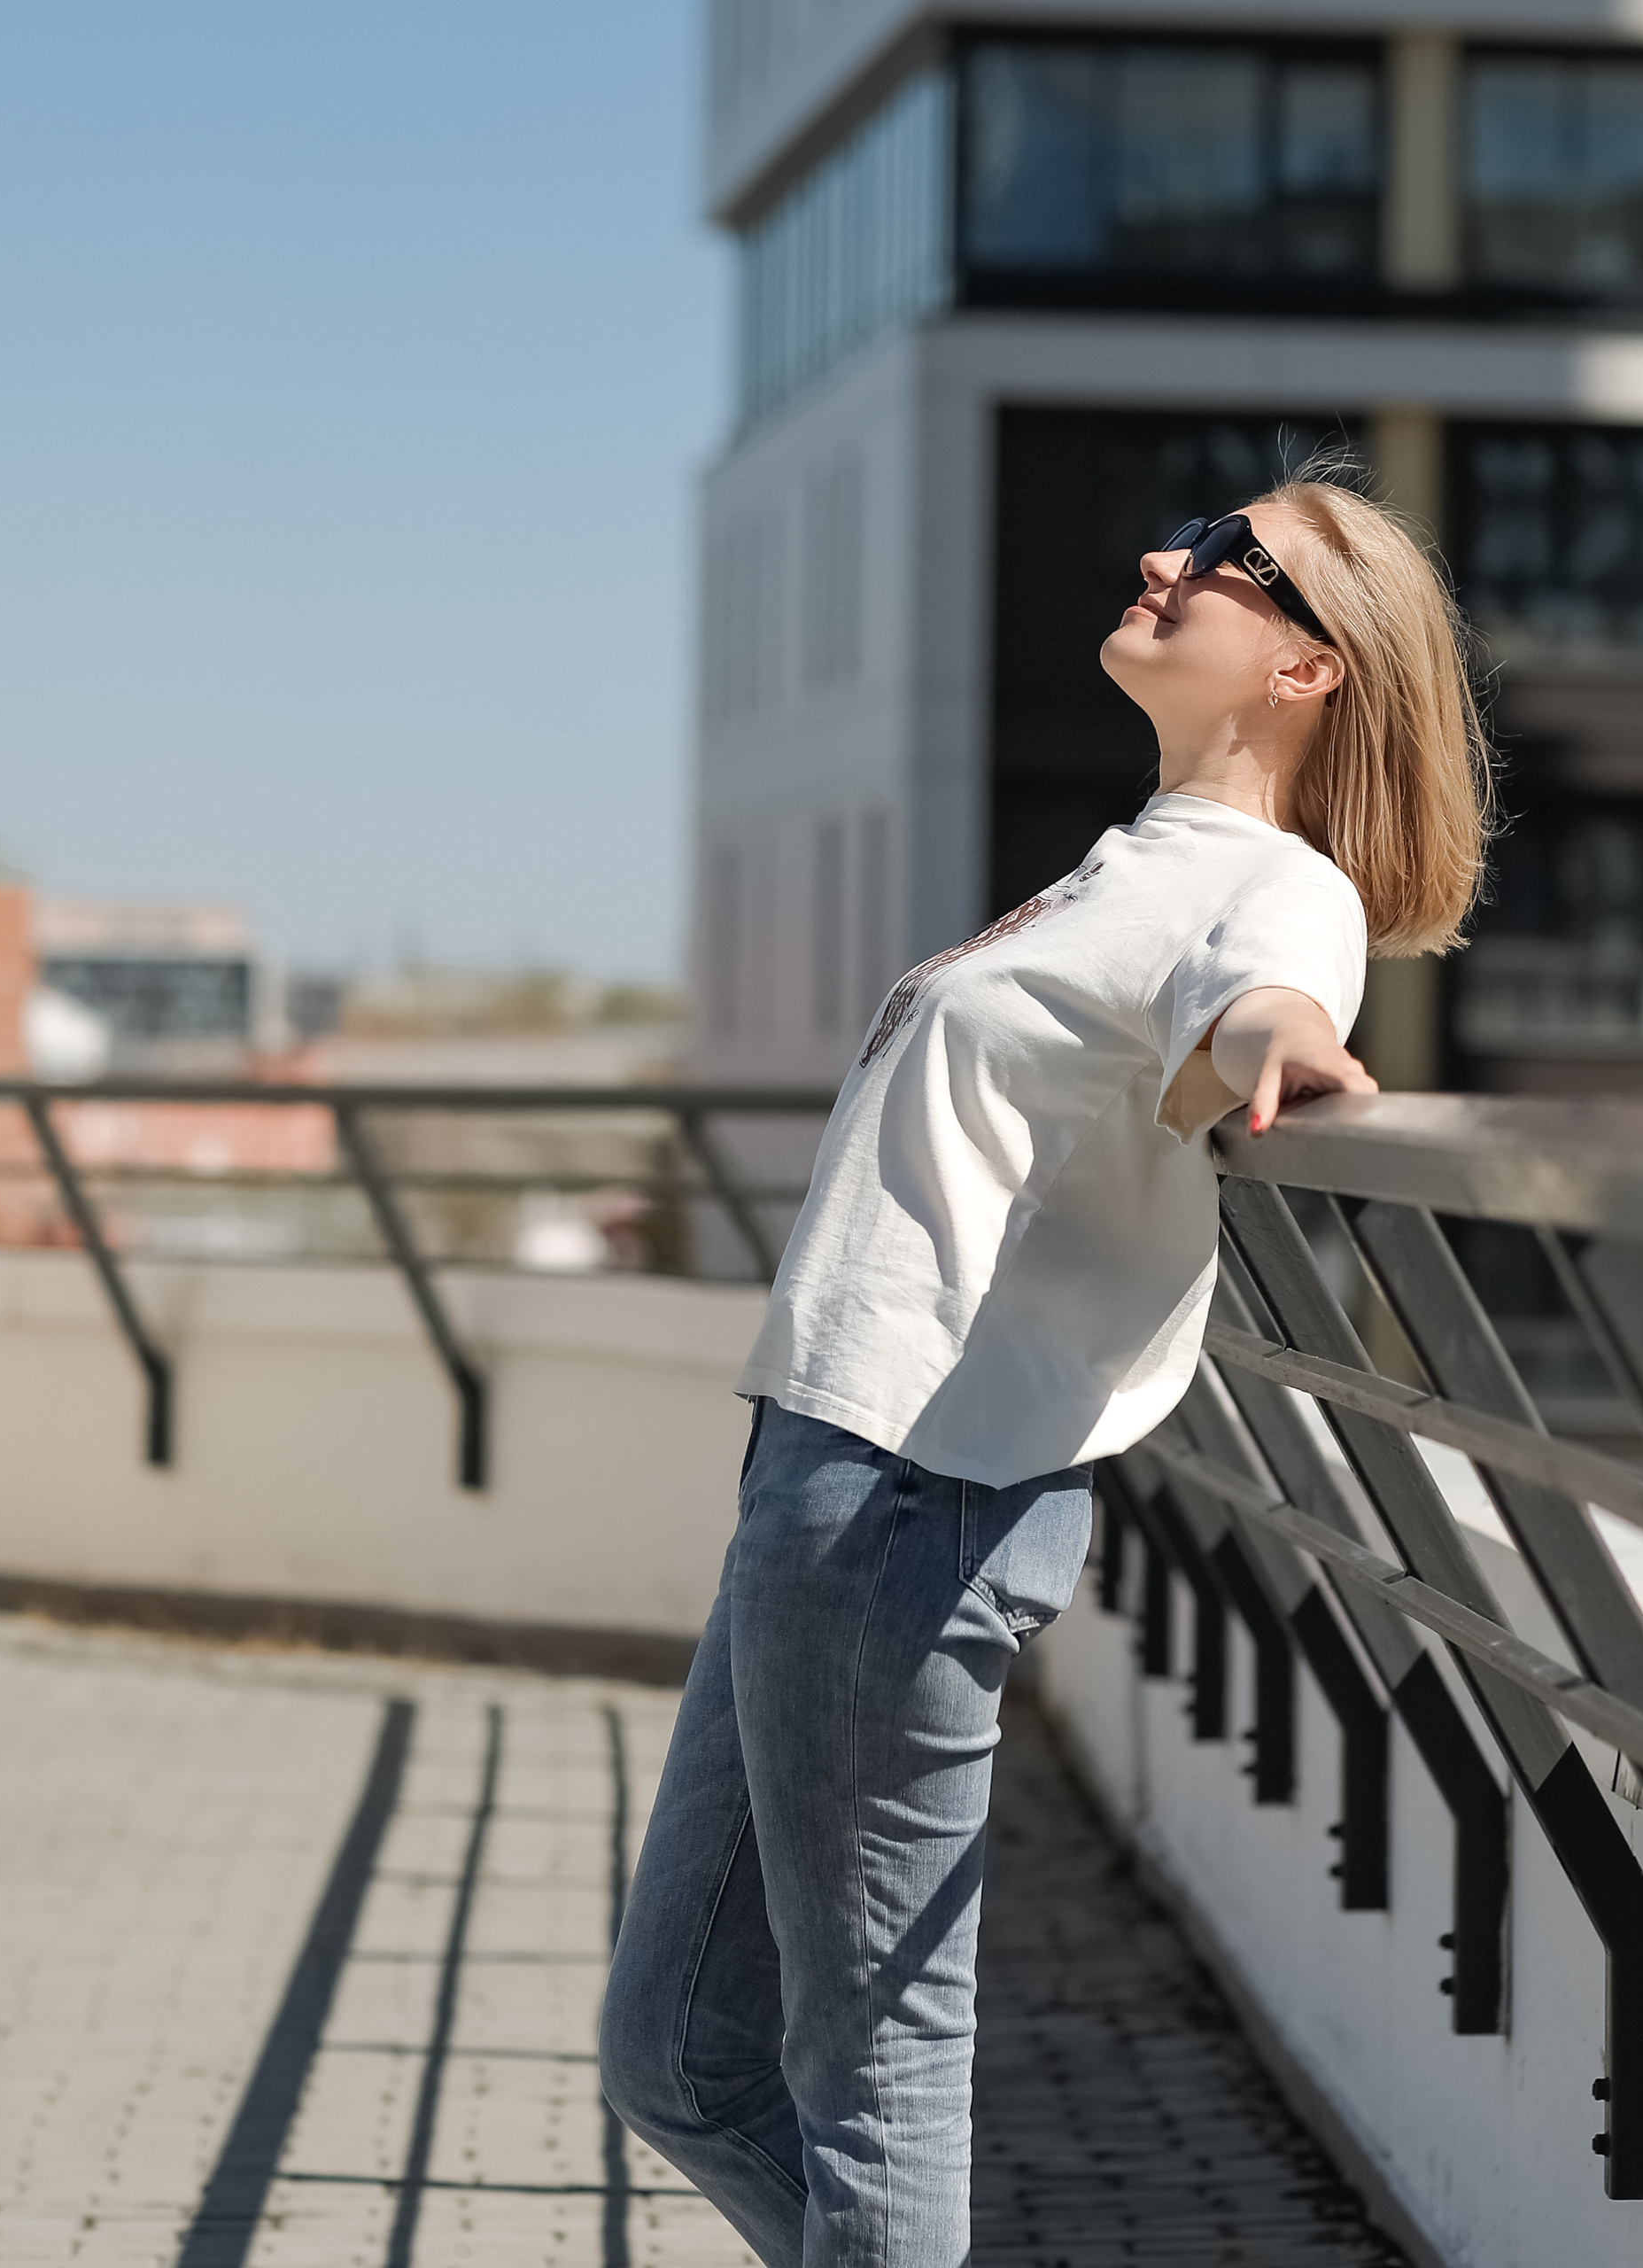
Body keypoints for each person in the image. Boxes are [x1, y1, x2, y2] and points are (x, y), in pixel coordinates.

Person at [600, 469, 1492, 2267]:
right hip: (837, 1473)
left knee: (868, 2072)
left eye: (1229, 558)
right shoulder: (1133, 860)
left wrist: (1285, 1044)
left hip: (910, 1500)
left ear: (1308, 672)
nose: (1165, 556)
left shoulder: (1272, 885)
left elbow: (1268, 993)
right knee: (677, 2053)